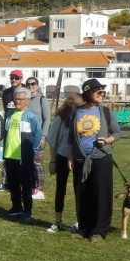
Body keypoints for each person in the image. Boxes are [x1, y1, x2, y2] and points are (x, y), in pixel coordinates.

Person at [69, 79, 121, 242]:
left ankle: (99, 231)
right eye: (98, 91)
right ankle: (83, 228)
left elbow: (117, 134)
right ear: (87, 93)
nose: (101, 94)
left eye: (102, 91)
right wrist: (70, 157)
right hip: (80, 160)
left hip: (100, 158)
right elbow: (71, 137)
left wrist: (106, 141)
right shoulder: (76, 112)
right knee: (82, 194)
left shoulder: (105, 112)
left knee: (101, 194)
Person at [2, 87, 43, 221]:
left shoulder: (31, 117)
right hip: (9, 155)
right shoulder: (9, 114)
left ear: (27, 101)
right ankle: (16, 207)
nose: (17, 101)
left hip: (23, 157)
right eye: (15, 99)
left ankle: (27, 210)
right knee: (13, 184)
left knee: (26, 184)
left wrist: (33, 150)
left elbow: (37, 135)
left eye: (20, 99)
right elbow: (6, 133)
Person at [46, 93, 85, 233]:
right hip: (62, 156)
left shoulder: (84, 119)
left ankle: (80, 222)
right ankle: (58, 221)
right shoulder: (60, 119)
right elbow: (52, 140)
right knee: (60, 189)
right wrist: (52, 160)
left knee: (79, 190)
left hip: (79, 158)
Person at [25, 77, 50, 200]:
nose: (30, 86)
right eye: (28, 84)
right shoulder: (26, 100)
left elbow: (47, 119)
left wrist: (44, 136)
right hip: (26, 137)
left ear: (37, 85)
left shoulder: (42, 99)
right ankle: (31, 186)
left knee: (37, 163)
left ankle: (39, 189)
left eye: (33, 84)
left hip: (38, 136)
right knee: (28, 163)